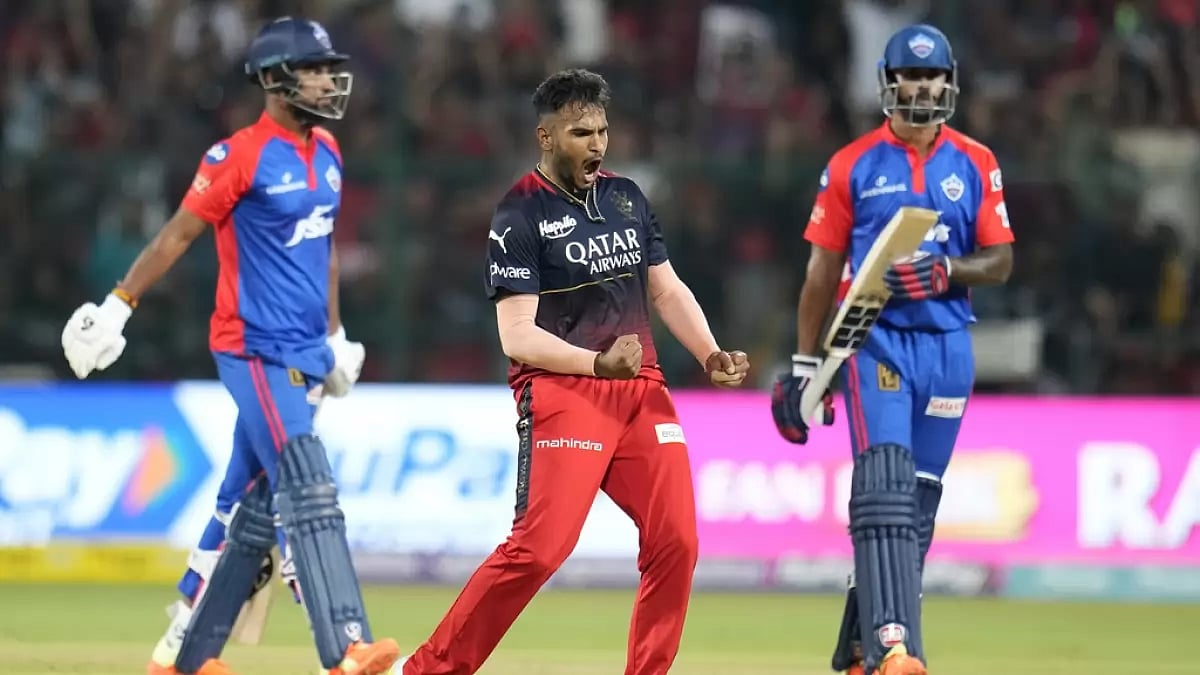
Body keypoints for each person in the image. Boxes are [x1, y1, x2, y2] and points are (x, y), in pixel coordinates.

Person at [60, 17, 398, 675]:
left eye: (331, 68)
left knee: (247, 503)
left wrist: (335, 336)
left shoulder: (327, 151)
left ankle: (183, 658)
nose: (330, 80)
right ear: (275, 80)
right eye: (315, 69)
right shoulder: (237, 155)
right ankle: (347, 646)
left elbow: (323, 251)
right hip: (253, 350)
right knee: (307, 480)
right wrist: (116, 307)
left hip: (303, 351)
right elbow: (176, 236)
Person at [392, 68, 750, 675]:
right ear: (547, 137)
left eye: (604, 131)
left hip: (640, 390)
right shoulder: (517, 214)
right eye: (582, 132)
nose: (598, 144)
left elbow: (664, 291)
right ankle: (427, 670)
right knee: (540, 550)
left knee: (677, 542)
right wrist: (596, 364)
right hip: (565, 390)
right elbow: (517, 336)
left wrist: (709, 353)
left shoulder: (627, 197)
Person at [770, 24, 1015, 675]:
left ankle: (857, 649)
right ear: (889, 82)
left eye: (933, 76)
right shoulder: (853, 163)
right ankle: (894, 648)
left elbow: (999, 261)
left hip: (948, 346)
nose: (922, 86)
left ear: (949, 82)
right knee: (883, 493)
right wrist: (804, 367)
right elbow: (821, 276)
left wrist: (946, 273)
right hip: (874, 341)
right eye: (910, 75)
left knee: (918, 507)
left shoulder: (975, 160)